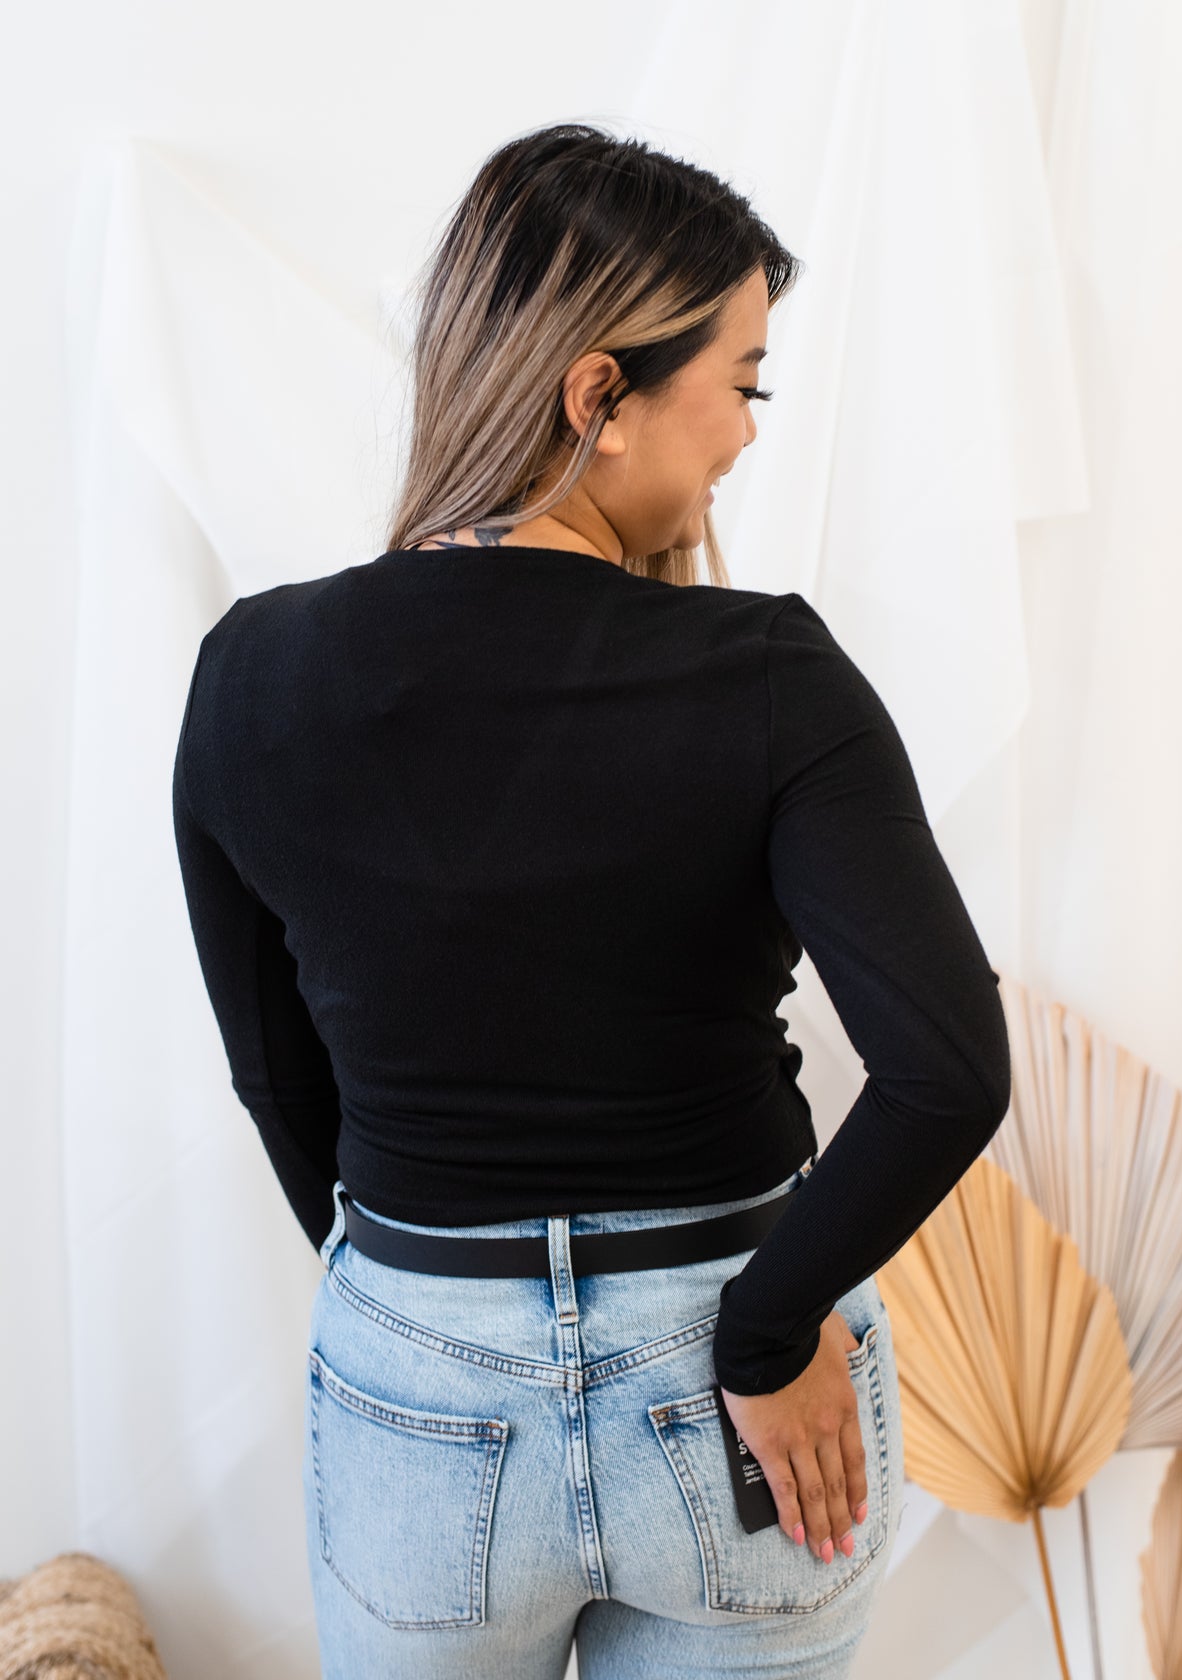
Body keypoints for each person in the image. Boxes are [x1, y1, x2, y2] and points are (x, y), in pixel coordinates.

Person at [172, 122, 1011, 1679]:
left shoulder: (251, 675)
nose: (746, 434)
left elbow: (277, 1080)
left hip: (424, 1370)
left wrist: (417, 1303)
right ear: (598, 397)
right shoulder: (770, 673)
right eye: (743, 385)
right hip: (738, 1381)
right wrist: (767, 1326)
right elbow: (949, 1070)